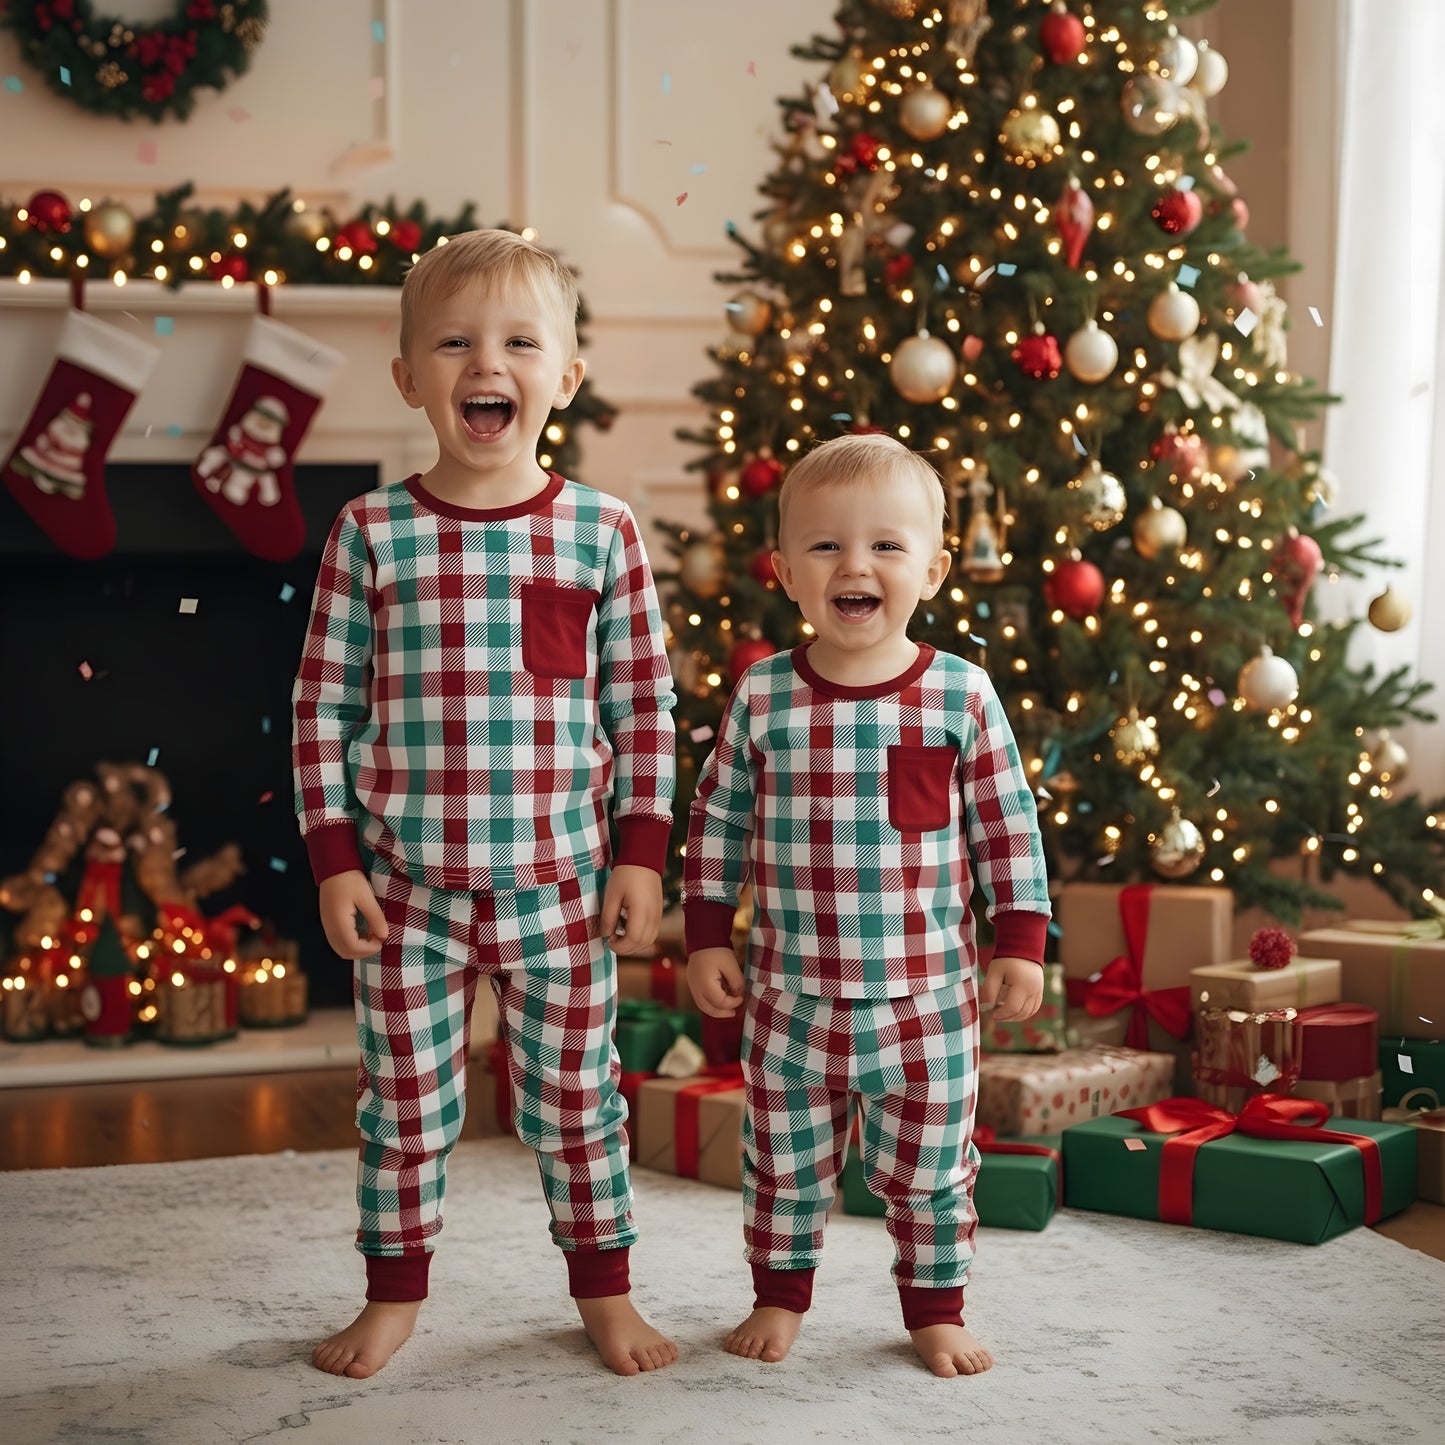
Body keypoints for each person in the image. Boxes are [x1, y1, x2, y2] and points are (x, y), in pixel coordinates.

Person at [292, 229, 679, 1380]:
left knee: (575, 1103)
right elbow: (321, 706)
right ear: (409, 377)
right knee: (403, 1107)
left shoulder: (600, 531)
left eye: (518, 343)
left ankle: (604, 1290)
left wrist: (639, 852)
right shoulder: (370, 532)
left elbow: (643, 705)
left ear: (565, 376)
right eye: (454, 343)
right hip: (405, 893)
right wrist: (335, 858)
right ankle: (392, 1293)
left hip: (560, 888)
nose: (485, 364)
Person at [682, 432, 1050, 1378]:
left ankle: (934, 1307)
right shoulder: (765, 694)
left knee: (930, 1171)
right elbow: (717, 819)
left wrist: (1019, 938)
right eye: (826, 545)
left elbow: (1005, 823)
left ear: (931, 569)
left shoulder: (960, 694)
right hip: (790, 1000)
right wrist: (706, 934)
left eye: (886, 545)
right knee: (781, 1164)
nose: (855, 565)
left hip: (925, 1004)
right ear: (784, 572)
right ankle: (778, 1294)